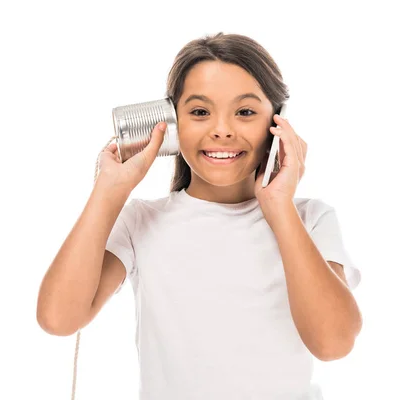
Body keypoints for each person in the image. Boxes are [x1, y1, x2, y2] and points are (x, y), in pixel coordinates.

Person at [36, 32, 363, 400]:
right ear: (170, 122)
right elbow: (58, 318)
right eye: (200, 112)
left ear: (278, 124)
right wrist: (108, 193)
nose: (221, 129)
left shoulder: (309, 219)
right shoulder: (140, 222)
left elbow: (334, 343)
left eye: (245, 112)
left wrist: (280, 208)